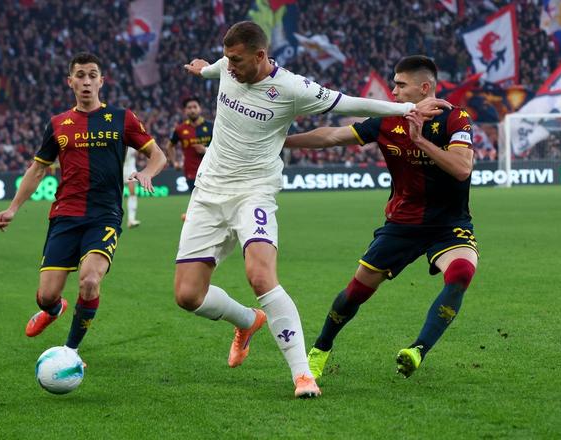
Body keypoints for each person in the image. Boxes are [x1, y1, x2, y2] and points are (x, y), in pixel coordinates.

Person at [176, 22, 450, 398]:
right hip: (208, 192)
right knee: (188, 296)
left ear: (260, 56)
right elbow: (215, 68)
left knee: (260, 276)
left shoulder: (292, 88)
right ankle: (247, 320)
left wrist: (407, 108)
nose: (230, 67)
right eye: (227, 60)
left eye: (236, 60)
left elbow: (349, 103)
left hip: (254, 192)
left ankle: (303, 376)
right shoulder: (227, 67)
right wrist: (204, 68)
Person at [284, 55, 478, 380]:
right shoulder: (387, 120)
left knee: (461, 273)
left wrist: (419, 140)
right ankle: (320, 348)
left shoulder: (455, 119)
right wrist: (279, 140)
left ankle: (417, 350)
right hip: (402, 224)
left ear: (424, 87)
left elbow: (461, 168)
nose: (394, 91)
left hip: (449, 224)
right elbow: (331, 136)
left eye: (400, 85)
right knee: (355, 293)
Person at [0, 52, 166, 356]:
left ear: (102, 81)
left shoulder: (121, 118)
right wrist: (13, 208)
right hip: (65, 216)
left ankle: (69, 351)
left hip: (104, 216)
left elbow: (158, 155)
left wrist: (147, 173)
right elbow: (37, 170)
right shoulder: (58, 123)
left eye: (92, 75)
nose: (86, 82)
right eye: (80, 75)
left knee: (89, 280)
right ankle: (53, 309)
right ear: (70, 81)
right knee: (46, 296)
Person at [164, 97, 213, 193]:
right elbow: (169, 146)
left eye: (195, 107)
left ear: (200, 108)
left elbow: (220, 147)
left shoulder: (211, 126)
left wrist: (205, 150)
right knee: (196, 200)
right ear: (185, 110)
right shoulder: (180, 129)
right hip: (191, 172)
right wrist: (174, 162)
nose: (192, 110)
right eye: (189, 108)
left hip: (210, 171)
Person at [123, 147, 141, 228]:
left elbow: (137, 153)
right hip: (120, 169)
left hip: (130, 169)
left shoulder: (133, 144)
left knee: (132, 193)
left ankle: (131, 219)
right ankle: (113, 216)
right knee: (116, 194)